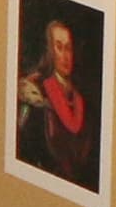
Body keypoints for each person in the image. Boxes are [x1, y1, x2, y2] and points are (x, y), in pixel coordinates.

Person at [15, 14, 97, 187]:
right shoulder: (36, 90)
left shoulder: (80, 100)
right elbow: (21, 131)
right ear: (49, 50)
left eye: (69, 48)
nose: (66, 55)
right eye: (59, 47)